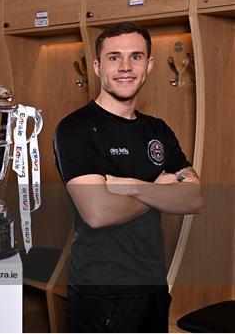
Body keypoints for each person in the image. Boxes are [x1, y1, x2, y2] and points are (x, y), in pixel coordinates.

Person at [54, 22, 203, 332]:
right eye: (113, 57)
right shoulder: (75, 129)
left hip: (153, 285)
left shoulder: (158, 130)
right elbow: (97, 213)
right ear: (96, 66)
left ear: (148, 65)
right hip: (101, 289)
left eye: (135, 56)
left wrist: (131, 186)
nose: (125, 67)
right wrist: (159, 191)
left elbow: (194, 197)